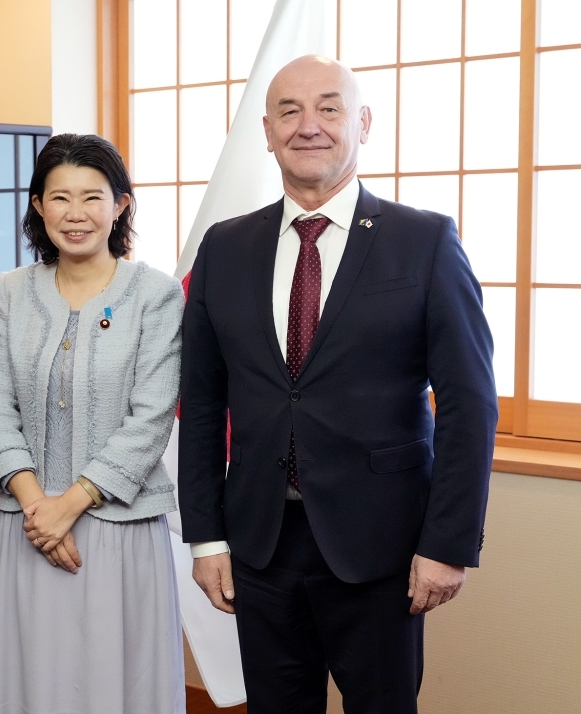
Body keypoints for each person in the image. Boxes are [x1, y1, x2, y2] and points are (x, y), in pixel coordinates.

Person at [178, 55, 498, 714]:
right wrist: (206, 537)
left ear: (363, 122)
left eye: (329, 107)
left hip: (381, 546)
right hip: (259, 545)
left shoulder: (424, 241)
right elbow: (204, 403)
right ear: (265, 131)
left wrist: (447, 545)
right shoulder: (225, 248)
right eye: (289, 112)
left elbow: (470, 405)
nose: (309, 126)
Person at [0, 133, 186, 714]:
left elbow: (152, 417)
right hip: (27, 524)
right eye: (59, 197)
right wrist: (38, 504)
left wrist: (71, 504)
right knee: (33, 680)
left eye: (93, 197)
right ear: (38, 206)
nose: (76, 214)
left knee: (111, 682)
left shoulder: (156, 296)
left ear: (120, 205)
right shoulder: (12, 292)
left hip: (117, 528)